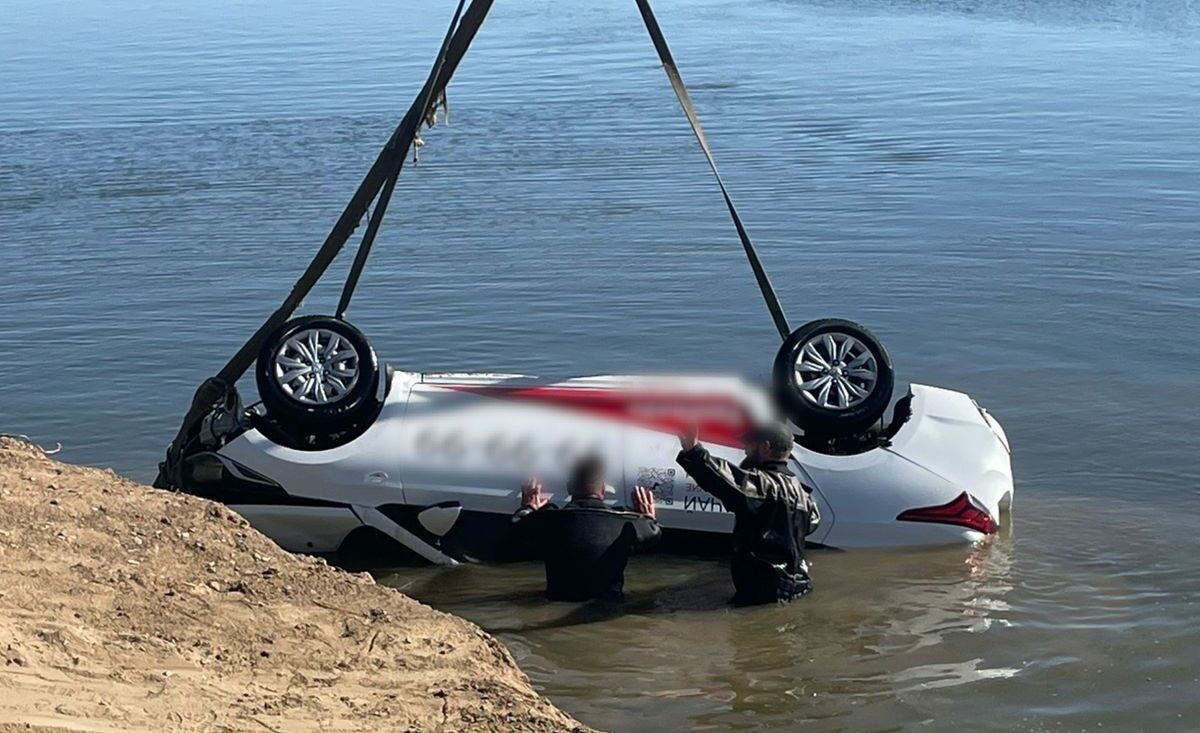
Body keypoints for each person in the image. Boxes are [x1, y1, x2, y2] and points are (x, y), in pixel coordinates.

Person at [675, 422, 819, 606]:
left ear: (765, 447)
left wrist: (693, 451)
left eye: (750, 445)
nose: (745, 451)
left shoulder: (763, 485)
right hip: (798, 587)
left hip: (764, 592)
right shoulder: (804, 495)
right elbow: (812, 524)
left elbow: (725, 480)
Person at [513, 455, 661, 602]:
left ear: (569, 488)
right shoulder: (626, 523)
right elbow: (654, 534)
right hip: (608, 606)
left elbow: (517, 527)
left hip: (559, 600)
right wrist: (648, 517)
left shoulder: (549, 521)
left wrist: (528, 507)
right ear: (603, 490)